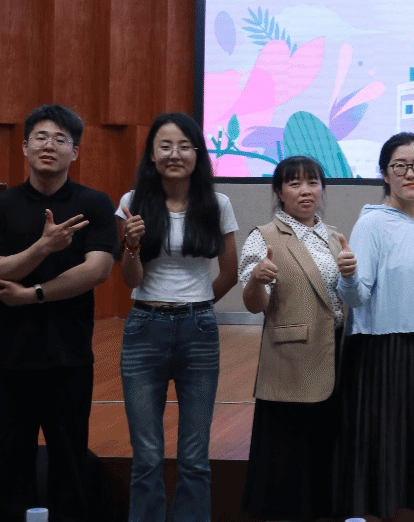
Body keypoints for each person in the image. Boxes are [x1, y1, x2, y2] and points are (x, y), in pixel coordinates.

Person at [0, 104, 116, 522]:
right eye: (40, 137)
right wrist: (44, 247)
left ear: (75, 151)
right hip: (9, 359)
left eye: (60, 139)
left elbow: (98, 269)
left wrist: (32, 294)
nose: (49, 145)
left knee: (70, 467)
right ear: (25, 146)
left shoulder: (94, 203)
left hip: (68, 356)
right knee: (11, 469)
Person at [116, 112, 239, 522]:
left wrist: (197, 305)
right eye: (165, 146)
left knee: (194, 456)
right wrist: (132, 247)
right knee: (147, 455)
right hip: (144, 327)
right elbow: (130, 279)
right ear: (152, 155)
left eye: (185, 146)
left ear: (197, 154)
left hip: (198, 330)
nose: (175, 154)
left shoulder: (217, 204)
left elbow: (229, 272)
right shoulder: (132, 202)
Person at [338, 133, 414, 522]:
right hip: (382, 354)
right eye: (400, 166)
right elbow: (356, 298)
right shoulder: (371, 224)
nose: (410, 173)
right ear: (385, 174)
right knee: (384, 457)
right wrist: (348, 276)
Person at [239, 155, 359, 521]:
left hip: (336, 353)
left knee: (326, 449)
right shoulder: (264, 236)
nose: (305, 191)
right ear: (279, 191)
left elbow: (348, 298)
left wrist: (352, 276)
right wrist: (257, 279)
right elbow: (254, 304)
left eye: (313, 182)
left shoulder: (333, 236)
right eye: (294, 183)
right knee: (289, 459)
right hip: (291, 362)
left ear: (322, 188)